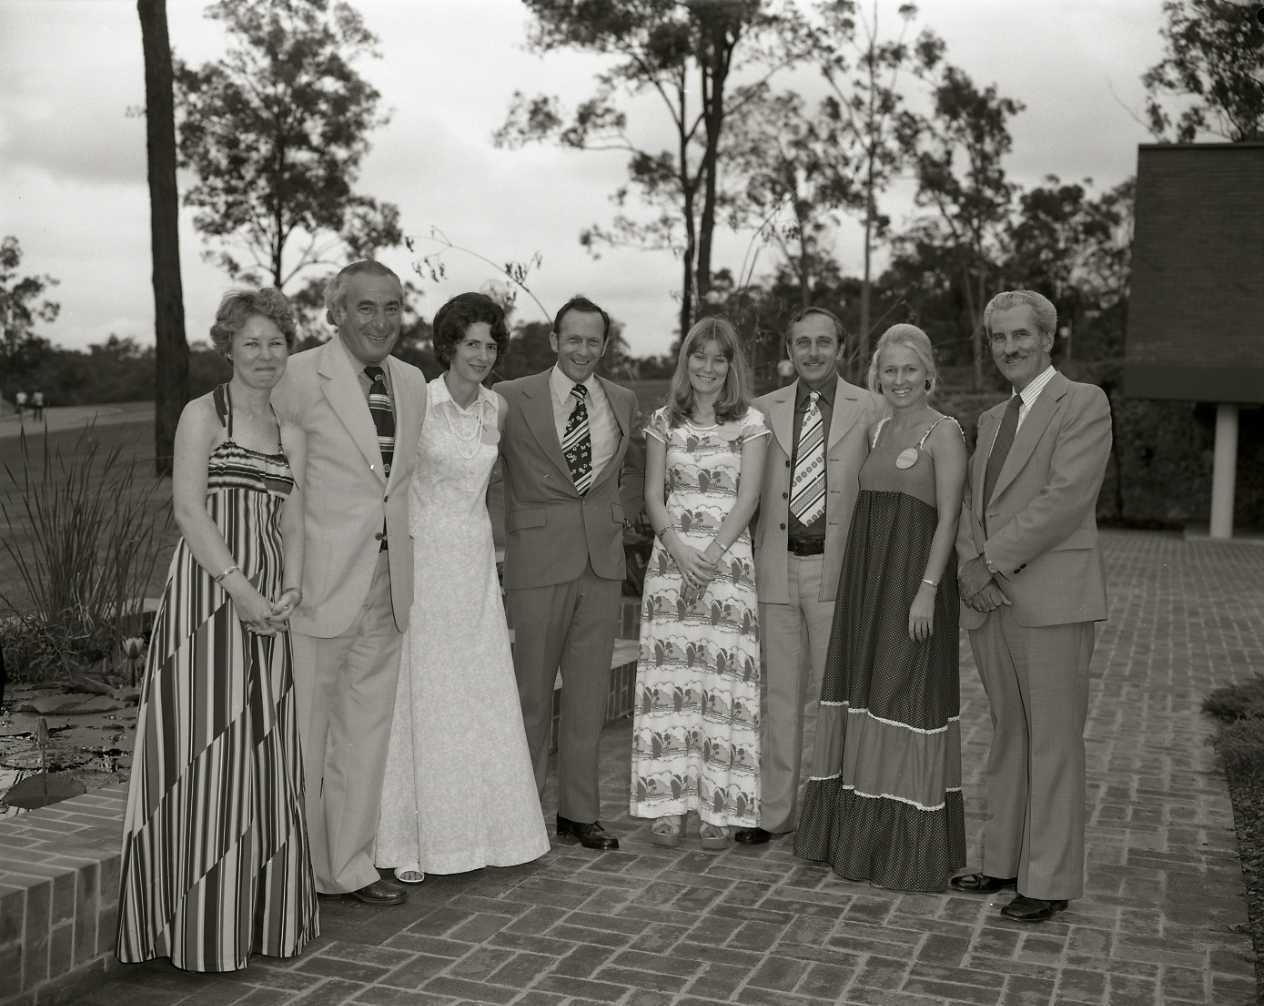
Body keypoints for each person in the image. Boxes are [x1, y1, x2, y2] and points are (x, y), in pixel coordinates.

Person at [117, 288, 316, 971]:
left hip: (270, 606)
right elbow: (188, 510)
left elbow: (292, 520)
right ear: (227, 346)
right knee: (203, 753)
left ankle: (254, 920)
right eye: (252, 343)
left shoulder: (292, 431)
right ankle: (195, 929)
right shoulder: (203, 415)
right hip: (209, 600)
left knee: (259, 751)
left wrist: (288, 588)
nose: (265, 355)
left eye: (276, 343)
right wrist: (241, 589)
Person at [948, 290, 1112, 923]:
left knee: (1054, 741)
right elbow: (969, 505)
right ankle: (1002, 860)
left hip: (1052, 598)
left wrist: (988, 562)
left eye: (1021, 335)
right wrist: (972, 566)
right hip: (992, 601)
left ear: (1048, 339)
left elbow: (1066, 498)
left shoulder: (1084, 403)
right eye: (998, 338)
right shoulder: (990, 420)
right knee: (1011, 732)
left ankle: (1047, 879)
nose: (1009, 348)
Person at [376, 293, 549, 880]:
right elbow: (393, 487)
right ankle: (419, 838)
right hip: (425, 562)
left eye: (491, 344)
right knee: (429, 691)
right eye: (471, 343)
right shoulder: (418, 402)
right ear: (447, 345)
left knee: (479, 689)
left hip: (475, 561)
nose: (482, 354)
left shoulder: (496, 409)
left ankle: (491, 830)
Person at [271, 260, 428, 906]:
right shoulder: (297, 376)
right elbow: (274, 482)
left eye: (392, 307)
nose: (381, 321)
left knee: (364, 737)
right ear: (335, 311)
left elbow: (399, 486)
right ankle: (286, 875)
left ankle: (347, 868)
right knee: (304, 737)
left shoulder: (413, 382)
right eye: (366, 307)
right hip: (317, 584)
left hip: (388, 585)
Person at [794, 324, 968, 891]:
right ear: (878, 377)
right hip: (867, 588)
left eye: (909, 370)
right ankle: (855, 841)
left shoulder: (945, 432)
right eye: (889, 371)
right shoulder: (878, 429)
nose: (899, 380)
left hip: (914, 587)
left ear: (928, 374)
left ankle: (904, 850)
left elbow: (948, 519)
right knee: (866, 698)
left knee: (905, 698)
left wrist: (928, 589)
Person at [736, 308, 884, 846]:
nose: (814, 352)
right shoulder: (761, 410)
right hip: (775, 565)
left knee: (836, 697)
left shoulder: (871, 408)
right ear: (789, 349)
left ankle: (834, 815)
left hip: (836, 569)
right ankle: (775, 813)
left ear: (841, 347)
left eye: (824, 342)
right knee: (779, 697)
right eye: (803, 343)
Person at [497, 295, 639, 851]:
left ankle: (580, 813)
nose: (583, 350)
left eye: (593, 341)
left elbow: (636, 470)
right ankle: (525, 810)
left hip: (601, 564)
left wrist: (618, 512)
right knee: (531, 695)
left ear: (605, 345)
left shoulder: (624, 400)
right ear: (554, 341)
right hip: (536, 562)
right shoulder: (511, 397)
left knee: (588, 696)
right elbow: (480, 471)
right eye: (573, 339)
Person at [629, 316, 769, 850]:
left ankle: (720, 805)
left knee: (722, 687)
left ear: (731, 366)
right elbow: (651, 496)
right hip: (671, 567)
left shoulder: (751, 423)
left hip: (727, 570)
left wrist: (709, 556)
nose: (708, 367)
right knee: (670, 686)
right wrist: (681, 551)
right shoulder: (665, 421)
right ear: (686, 361)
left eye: (719, 358)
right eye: (699, 355)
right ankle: (666, 804)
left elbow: (749, 498)